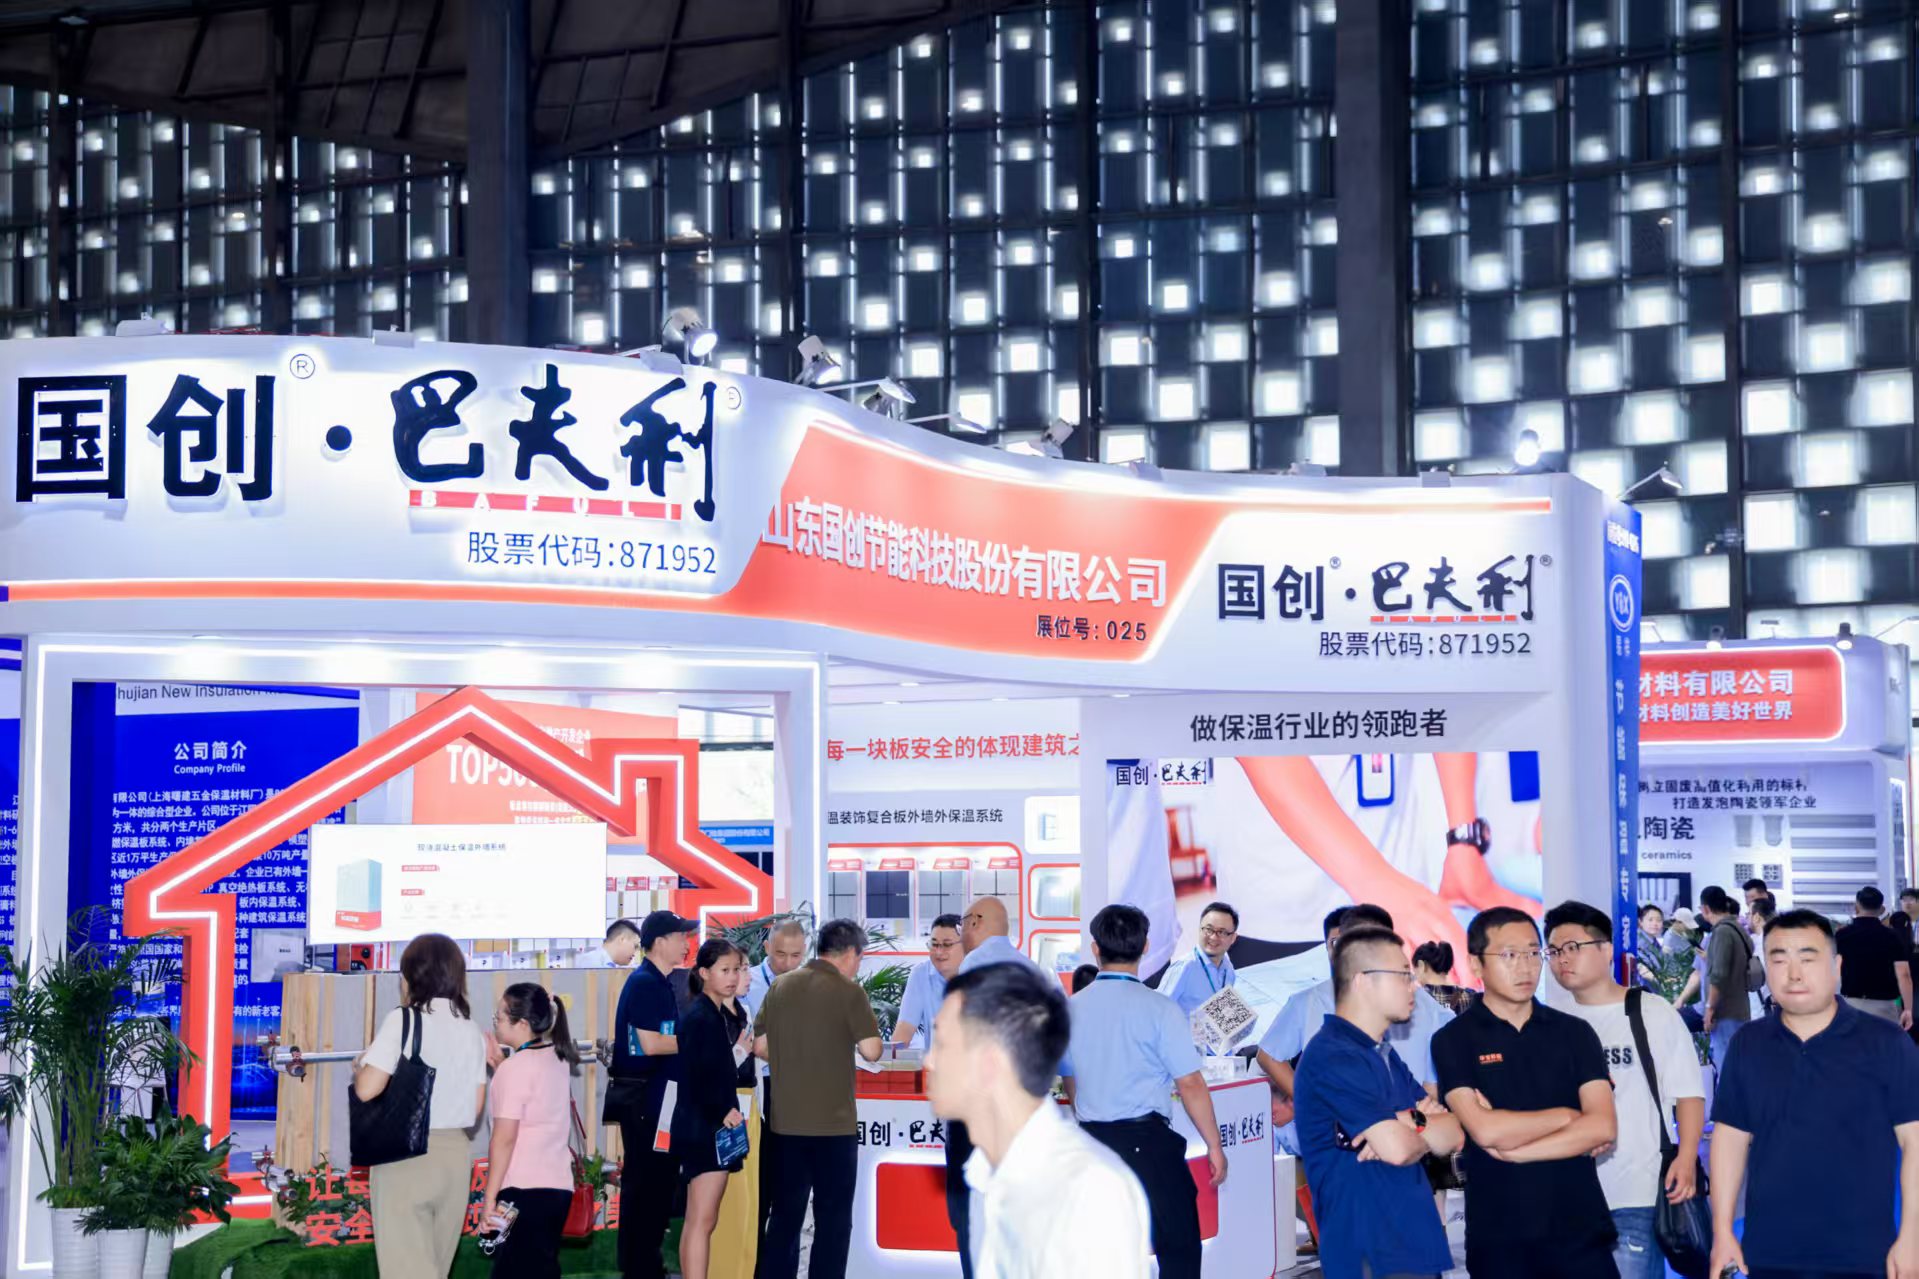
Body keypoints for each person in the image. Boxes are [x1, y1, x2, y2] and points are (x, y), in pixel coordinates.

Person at [1709, 909, 1919, 1279]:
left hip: (1865, 1255)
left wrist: (1912, 1236)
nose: (1793, 974)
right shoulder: (1748, 1044)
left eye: (1807, 959)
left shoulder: (1886, 1043)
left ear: (1837, 967)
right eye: (1779, 960)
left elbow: (1914, 1142)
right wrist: (1722, 1230)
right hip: (1769, 1252)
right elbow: (1730, 1138)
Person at [924, 961, 1151, 1279]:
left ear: (990, 1062)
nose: (929, 1061)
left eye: (942, 1044)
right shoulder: (985, 1174)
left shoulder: (1088, 1190)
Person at [1431, 906, 1617, 1278]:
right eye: (1509, 955)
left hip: (1581, 1233)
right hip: (1500, 1240)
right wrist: (1567, 1117)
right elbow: (1485, 1131)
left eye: (1533, 953)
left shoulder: (1574, 1033)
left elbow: (1602, 1127)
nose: (1526, 967)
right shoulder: (1453, 1039)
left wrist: (1517, 1152)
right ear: (1477, 964)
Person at [1061, 904, 1226, 1279]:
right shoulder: (1160, 1009)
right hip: (1149, 1146)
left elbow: (1070, 1079)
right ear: (1146, 946)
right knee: (1179, 1247)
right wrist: (1214, 1146)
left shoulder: (1069, 1009)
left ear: (1095, 948)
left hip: (1090, 1146)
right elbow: (1190, 1083)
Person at [1544, 901, 1704, 1279]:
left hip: (1636, 1190)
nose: (1562, 959)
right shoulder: (1551, 1023)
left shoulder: (1651, 1011)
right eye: (1553, 950)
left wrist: (1686, 1158)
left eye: (1573, 947)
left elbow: (1688, 1093)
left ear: (1605, 949)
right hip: (1566, 1194)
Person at [1294, 924, 1464, 1279]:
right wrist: (1415, 1123)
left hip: (1410, 1242)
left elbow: (1453, 1133)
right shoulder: (1333, 1055)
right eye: (1402, 975)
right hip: (1369, 1250)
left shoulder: (1382, 1053)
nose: (1413, 985)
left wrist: (1405, 1121)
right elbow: (1398, 1149)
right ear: (1363, 981)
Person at [1257, 905, 1455, 1157]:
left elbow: (1448, 1127)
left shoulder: (1388, 1052)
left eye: (1407, 974)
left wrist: (1411, 1124)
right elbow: (1393, 1146)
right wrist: (1415, 1125)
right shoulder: (1329, 1050)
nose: (1410, 986)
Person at [353, 933, 490, 1279]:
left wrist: (360, 1066)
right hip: (455, 1157)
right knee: (435, 1268)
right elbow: (475, 1107)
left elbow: (367, 1090)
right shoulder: (471, 1029)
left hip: (405, 1156)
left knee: (406, 1270)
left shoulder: (404, 1020)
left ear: (411, 976)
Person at [752, 917, 883, 1279]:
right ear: (851, 954)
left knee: (784, 1218)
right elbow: (872, 1051)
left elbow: (759, 1045)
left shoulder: (781, 986)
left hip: (785, 1125)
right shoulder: (849, 991)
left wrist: (792, 1054)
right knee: (833, 1221)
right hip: (833, 1128)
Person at [948, 895, 1047, 1278]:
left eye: (962, 925)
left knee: (971, 1212)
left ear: (975, 922)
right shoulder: (1033, 970)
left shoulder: (973, 965)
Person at [607, 909, 699, 1279]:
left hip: (655, 1100)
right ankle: (641, 1267)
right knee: (648, 1187)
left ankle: (643, 1264)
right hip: (647, 1103)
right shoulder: (647, 983)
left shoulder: (655, 981)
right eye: (681, 936)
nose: (686, 944)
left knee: (652, 1186)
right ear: (660, 942)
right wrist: (697, 1040)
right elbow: (650, 1043)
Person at [482, 984, 584, 1278]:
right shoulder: (557, 1058)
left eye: (500, 1017)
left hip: (521, 1191)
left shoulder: (514, 1070)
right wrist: (502, 1067)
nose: (496, 1023)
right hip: (557, 1189)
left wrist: (489, 1199)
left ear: (523, 1024)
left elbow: (504, 1140)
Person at [674, 940, 754, 1279]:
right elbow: (699, 1074)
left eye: (736, 970)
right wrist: (722, 1109)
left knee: (701, 1219)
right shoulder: (701, 1017)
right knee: (702, 1220)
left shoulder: (712, 1013)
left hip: (706, 1125)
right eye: (725, 970)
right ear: (704, 973)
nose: (733, 977)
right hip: (705, 1128)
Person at [1837, 885, 1914, 1029]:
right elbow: (1904, 974)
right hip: (1885, 1006)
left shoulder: (1842, 935)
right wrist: (1908, 1009)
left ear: (1856, 907)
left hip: (1851, 1004)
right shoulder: (1892, 936)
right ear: (1882, 909)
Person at [1155, 900, 1240, 1021]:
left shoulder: (1228, 967)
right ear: (1200, 930)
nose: (1213, 937)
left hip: (1212, 1032)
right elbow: (1157, 1013)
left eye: (1221, 932)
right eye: (1208, 929)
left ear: (1233, 938)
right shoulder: (1184, 967)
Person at [1698, 886, 1752, 1073]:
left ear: (1705, 909)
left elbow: (1719, 975)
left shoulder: (1721, 932)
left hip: (1725, 1012)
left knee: (1726, 1069)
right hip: (1740, 1008)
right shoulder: (1737, 928)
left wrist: (1709, 1008)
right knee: (1737, 1067)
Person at [892, 913, 964, 1048]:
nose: (939, 952)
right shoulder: (921, 974)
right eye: (934, 944)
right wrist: (893, 1056)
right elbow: (904, 1029)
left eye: (947, 944)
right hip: (935, 1060)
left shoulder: (983, 975)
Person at [742, 920, 807, 1017]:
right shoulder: (745, 982)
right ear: (767, 947)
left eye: (795, 955)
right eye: (781, 955)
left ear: (804, 950)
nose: (788, 964)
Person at [1412, 939, 1473, 1014]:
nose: (1414, 974)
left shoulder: (1418, 1000)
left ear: (1421, 966)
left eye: (1415, 969)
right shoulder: (1471, 996)